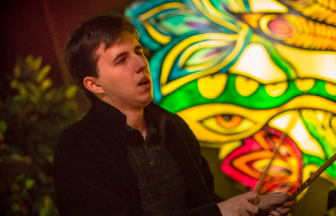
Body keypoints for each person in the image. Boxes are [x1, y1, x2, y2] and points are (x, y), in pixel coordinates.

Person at [53, 14, 296, 216]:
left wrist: (255, 209)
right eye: (121, 60)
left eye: (138, 51)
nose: (140, 63)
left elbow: (204, 203)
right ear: (94, 85)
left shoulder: (174, 127)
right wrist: (219, 212)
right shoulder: (78, 146)